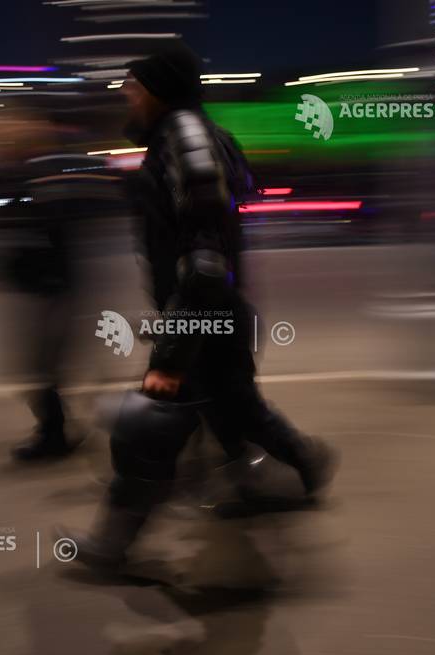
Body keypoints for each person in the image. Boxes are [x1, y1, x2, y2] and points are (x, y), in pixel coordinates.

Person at [62, 41, 337, 568]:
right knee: (237, 408)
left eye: (135, 84)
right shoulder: (187, 135)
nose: (126, 93)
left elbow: (205, 259)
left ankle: (112, 547)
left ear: (160, 90)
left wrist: (170, 355)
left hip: (202, 319)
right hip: (214, 314)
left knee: (150, 428)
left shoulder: (182, 139)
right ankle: (302, 464)